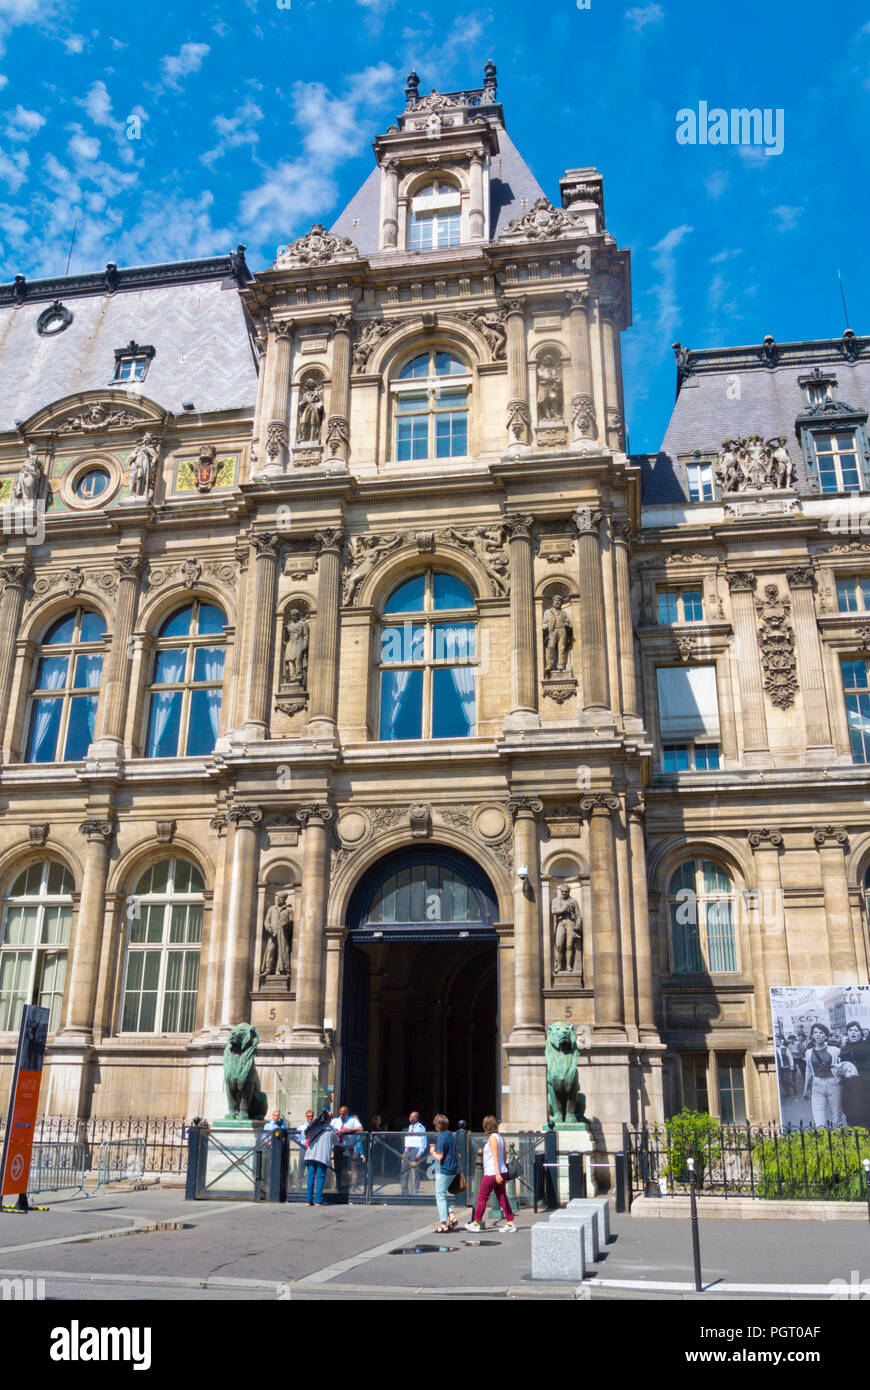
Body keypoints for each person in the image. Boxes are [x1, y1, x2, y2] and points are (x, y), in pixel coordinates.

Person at [465, 1115, 516, 1233]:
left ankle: (477, 1222)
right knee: (502, 1196)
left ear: (486, 1126)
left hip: (493, 1172)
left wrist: (497, 1173)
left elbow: (495, 1156)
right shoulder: (500, 1137)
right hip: (501, 1171)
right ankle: (510, 1222)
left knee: (482, 1196)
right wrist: (502, 1168)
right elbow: (505, 1153)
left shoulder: (493, 1138)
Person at [803, 1023, 845, 1128]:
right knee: (818, 1119)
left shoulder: (834, 1050)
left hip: (833, 1084)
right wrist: (806, 1089)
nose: (818, 1035)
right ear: (812, 1035)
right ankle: (823, 1139)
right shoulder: (809, 1052)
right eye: (815, 1033)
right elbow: (808, 1070)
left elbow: (846, 1056)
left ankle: (839, 1139)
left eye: (821, 1033)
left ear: (826, 1036)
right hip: (817, 1085)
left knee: (837, 1118)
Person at [429, 1114, 459, 1233]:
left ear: (437, 1126)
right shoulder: (451, 1135)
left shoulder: (441, 1137)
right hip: (453, 1168)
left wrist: (432, 1151)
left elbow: (439, 1156)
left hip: (444, 1169)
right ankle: (451, 1216)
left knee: (440, 1196)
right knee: (442, 1194)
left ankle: (443, 1224)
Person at [303, 1109, 337, 1206]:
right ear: (330, 1119)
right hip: (322, 1156)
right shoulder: (331, 1130)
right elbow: (337, 1141)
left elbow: (305, 1134)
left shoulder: (315, 1126)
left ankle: (309, 1200)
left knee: (310, 1177)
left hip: (310, 1155)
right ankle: (318, 1201)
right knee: (320, 1177)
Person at [840, 1021, 870, 1128]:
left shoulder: (867, 1046)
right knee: (852, 1111)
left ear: (860, 1033)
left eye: (856, 1030)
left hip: (866, 1084)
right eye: (850, 1030)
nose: (853, 1033)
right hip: (850, 1085)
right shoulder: (844, 1048)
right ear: (847, 1033)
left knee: (866, 1111)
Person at [331, 1105, 364, 1189]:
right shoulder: (335, 1120)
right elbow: (329, 1129)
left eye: (343, 1114)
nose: (341, 1116)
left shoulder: (352, 1120)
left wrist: (348, 1129)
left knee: (350, 1166)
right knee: (338, 1166)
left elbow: (361, 1129)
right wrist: (335, 1131)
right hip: (338, 1146)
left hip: (349, 1147)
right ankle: (339, 1185)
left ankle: (352, 1185)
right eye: (340, 1114)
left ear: (347, 1114)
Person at [400, 1111, 427, 1195]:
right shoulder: (410, 1126)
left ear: (416, 1118)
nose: (410, 1118)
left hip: (415, 1150)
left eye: (412, 1117)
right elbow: (408, 1139)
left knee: (415, 1171)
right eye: (409, 1117)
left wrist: (419, 1153)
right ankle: (404, 1191)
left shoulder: (421, 1127)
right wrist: (405, 1151)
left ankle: (414, 1192)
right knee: (404, 1170)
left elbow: (423, 1141)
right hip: (408, 1150)